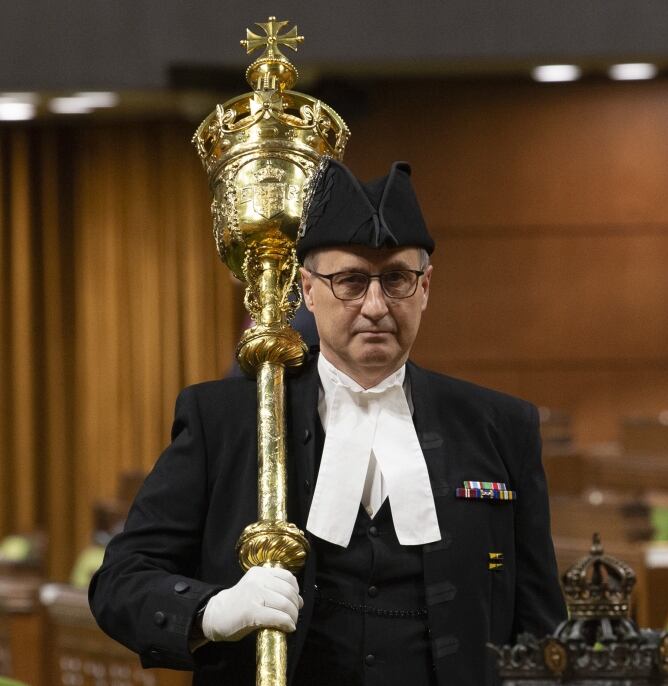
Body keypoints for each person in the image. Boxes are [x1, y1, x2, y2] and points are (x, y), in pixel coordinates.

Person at [89, 159, 566, 685]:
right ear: (307, 289)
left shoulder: (500, 426)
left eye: (397, 280)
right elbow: (119, 582)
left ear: (426, 287)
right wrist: (212, 612)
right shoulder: (227, 421)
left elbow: (541, 628)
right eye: (351, 282)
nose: (376, 306)